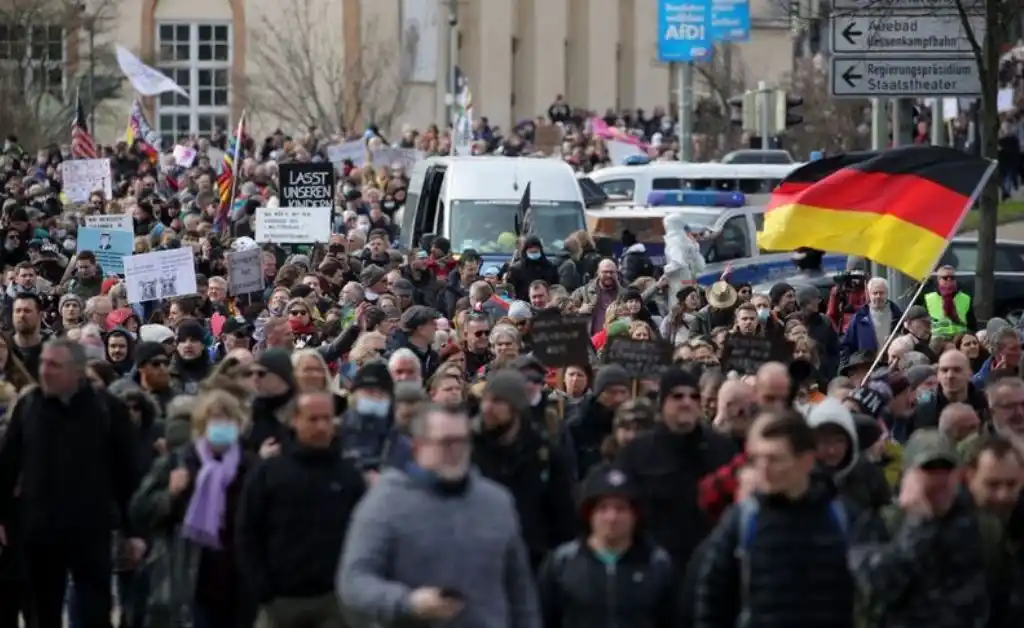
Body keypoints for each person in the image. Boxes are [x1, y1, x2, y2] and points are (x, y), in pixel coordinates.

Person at [337, 404, 541, 628]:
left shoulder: (496, 502)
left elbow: (520, 591)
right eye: (446, 442)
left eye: (462, 441)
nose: (456, 451)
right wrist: (408, 602)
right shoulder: (386, 503)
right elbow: (354, 581)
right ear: (418, 448)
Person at [0, 339, 144, 628]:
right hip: (39, 531)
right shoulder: (28, 406)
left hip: (91, 531)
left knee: (94, 610)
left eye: (54, 365)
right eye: (43, 364)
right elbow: (6, 468)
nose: (44, 371)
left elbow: (127, 474)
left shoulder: (106, 409)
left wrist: (133, 531)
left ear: (77, 371)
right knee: (42, 611)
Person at [696, 411, 855, 628]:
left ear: (806, 461)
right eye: (757, 459)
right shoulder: (743, 519)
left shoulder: (839, 517)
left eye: (774, 459)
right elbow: (711, 600)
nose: (764, 468)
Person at [851, 429, 1017, 628]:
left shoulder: (985, 528)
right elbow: (874, 593)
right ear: (907, 476)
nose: (938, 480)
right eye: (927, 470)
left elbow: (1003, 601)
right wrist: (918, 525)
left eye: (946, 470)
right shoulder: (880, 525)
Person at [237, 390, 365, 628]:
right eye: (313, 419)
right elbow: (247, 531)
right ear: (295, 420)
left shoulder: (348, 475)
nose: (321, 426)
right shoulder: (269, 473)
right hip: (280, 601)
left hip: (333, 601)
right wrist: (262, 588)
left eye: (327, 419)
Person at [130, 389, 258, 628]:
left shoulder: (250, 467)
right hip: (190, 580)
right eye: (214, 420)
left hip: (239, 583)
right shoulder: (179, 461)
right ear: (201, 425)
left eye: (228, 419)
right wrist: (170, 495)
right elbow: (140, 511)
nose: (221, 426)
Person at [616, 368, 736, 567]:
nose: (686, 402)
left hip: (709, 562)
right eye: (678, 396)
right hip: (651, 565)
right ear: (662, 404)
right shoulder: (637, 452)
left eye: (693, 396)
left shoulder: (722, 448)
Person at [537, 465, 677, 628]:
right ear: (590, 514)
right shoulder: (562, 562)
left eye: (621, 508)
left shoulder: (657, 564)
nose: (611, 517)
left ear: (635, 515)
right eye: (603, 508)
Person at [473, 369, 576, 570]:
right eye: (486, 400)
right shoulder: (470, 448)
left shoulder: (543, 451)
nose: (487, 408)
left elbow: (563, 514)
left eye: (497, 402)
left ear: (516, 407)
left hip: (533, 560)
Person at [923, 265, 976, 338]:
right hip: (937, 342)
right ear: (938, 280)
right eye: (945, 278)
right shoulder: (928, 298)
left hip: (960, 340)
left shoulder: (965, 298)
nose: (949, 280)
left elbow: (972, 324)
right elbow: (923, 324)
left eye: (952, 278)